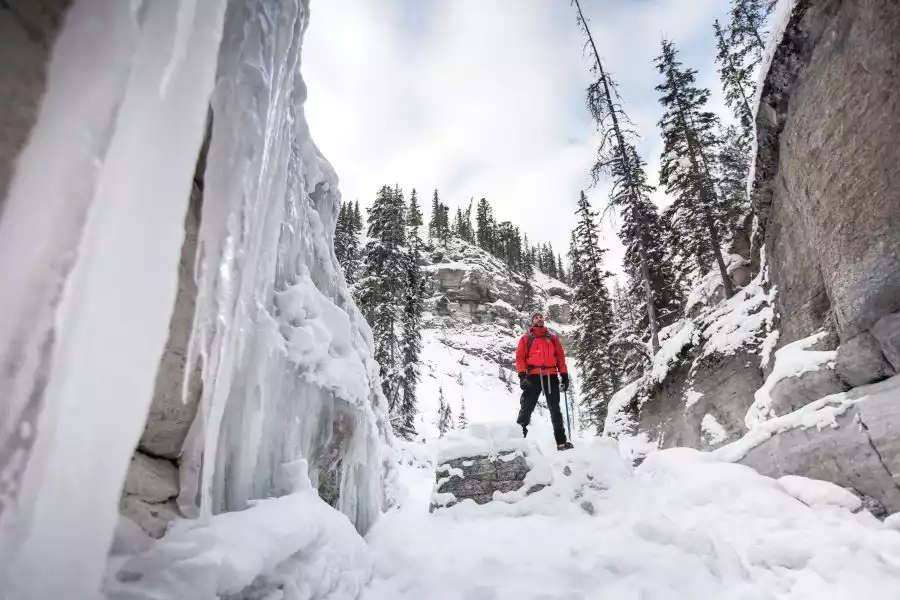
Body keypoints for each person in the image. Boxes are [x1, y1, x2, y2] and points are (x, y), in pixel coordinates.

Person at [515, 311, 574, 450]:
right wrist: (522, 376)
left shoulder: (553, 338)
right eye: (536, 317)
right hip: (533, 376)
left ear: (544, 319)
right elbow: (520, 358)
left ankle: (561, 442)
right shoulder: (526, 338)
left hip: (551, 376)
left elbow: (560, 358)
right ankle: (516, 442)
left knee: (555, 410)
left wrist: (564, 375)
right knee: (526, 409)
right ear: (532, 321)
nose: (539, 319)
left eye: (541, 317)